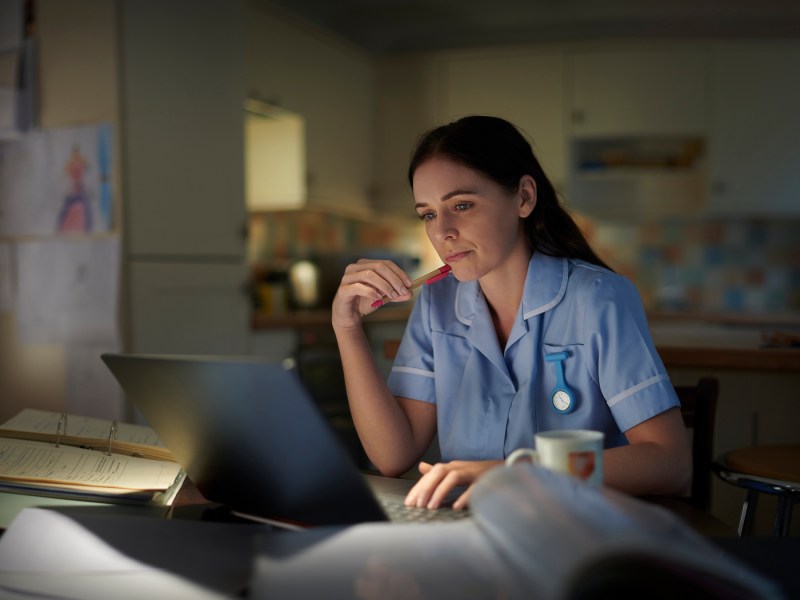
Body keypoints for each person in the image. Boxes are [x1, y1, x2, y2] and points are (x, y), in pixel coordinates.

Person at [331, 115, 691, 511]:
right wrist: (346, 327)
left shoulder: (598, 297)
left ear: (523, 197)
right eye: (429, 214)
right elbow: (392, 457)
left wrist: (518, 473)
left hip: (576, 537)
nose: (442, 232)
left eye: (462, 205)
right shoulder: (436, 303)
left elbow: (670, 462)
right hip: (471, 535)